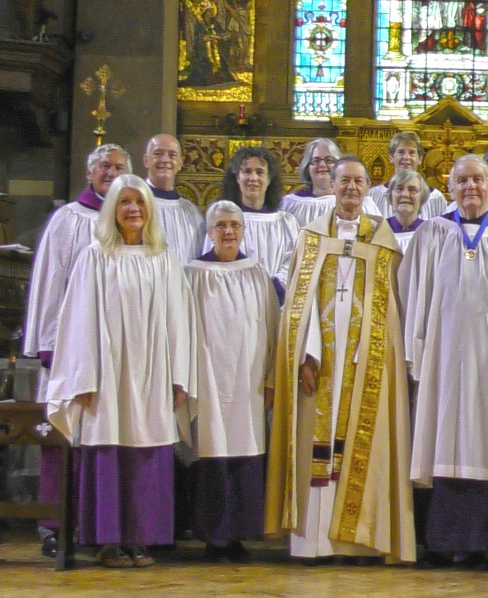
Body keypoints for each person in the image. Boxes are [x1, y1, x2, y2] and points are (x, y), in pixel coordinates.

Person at [265, 156, 415, 563]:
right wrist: (305, 357)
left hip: (367, 365)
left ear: (369, 188)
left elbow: (391, 309)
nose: (351, 188)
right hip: (322, 364)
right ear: (331, 185)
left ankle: (358, 541)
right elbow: (300, 302)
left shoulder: (383, 240)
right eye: (344, 180)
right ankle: (313, 542)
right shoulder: (311, 236)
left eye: (359, 181)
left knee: (359, 447)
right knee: (316, 447)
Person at [45, 174, 196, 568]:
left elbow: (180, 322)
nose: (133, 209)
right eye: (125, 202)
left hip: (152, 372)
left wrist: (180, 377)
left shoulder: (163, 258)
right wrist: (81, 378)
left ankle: (140, 539)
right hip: (106, 373)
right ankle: (107, 540)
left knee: (147, 450)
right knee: (108, 446)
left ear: (150, 211)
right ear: (113, 209)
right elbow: (77, 319)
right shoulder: (95, 256)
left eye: (140, 202)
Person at [400, 154, 488, 569]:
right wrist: (416, 349)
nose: (471, 187)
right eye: (462, 181)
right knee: (442, 440)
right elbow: (412, 293)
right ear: (450, 186)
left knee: (484, 443)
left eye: (479, 179)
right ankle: (440, 541)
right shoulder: (433, 233)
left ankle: (478, 542)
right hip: (441, 359)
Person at [22, 143, 131, 557]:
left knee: (102, 442)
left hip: (114, 356)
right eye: (104, 166)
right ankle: (54, 525)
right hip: (68, 349)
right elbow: (50, 284)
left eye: (119, 167)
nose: (111, 172)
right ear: (90, 173)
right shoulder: (70, 219)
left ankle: (95, 523)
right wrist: (48, 346)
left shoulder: (129, 222)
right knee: (63, 434)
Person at [185, 200, 278, 563]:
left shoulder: (257, 273)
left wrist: (271, 380)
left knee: (245, 453)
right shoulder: (193, 274)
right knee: (211, 454)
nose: (228, 232)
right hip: (207, 381)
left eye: (234, 226)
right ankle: (213, 535)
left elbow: (272, 329)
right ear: (209, 232)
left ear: (243, 231)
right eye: (221, 225)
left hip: (249, 382)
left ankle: (239, 533)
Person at [218, 145, 298, 303]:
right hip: (235, 302)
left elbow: (295, 260)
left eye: (260, 172)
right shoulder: (222, 222)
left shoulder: (286, 222)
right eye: (247, 171)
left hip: (277, 304)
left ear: (269, 180)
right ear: (237, 177)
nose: (253, 178)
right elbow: (215, 262)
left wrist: (276, 287)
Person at [280, 137, 380, 227]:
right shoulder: (290, 204)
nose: (322, 165)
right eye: (316, 160)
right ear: (307, 166)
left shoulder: (362, 202)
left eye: (329, 160)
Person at [144, 134, 204, 263]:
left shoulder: (191, 211)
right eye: (158, 154)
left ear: (180, 163)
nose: (165, 160)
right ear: (146, 160)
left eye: (172, 155)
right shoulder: (136, 205)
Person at [368, 131, 447, 220]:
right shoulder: (373, 195)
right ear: (391, 157)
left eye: (412, 152)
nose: (406, 157)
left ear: (420, 159)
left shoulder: (435, 198)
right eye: (401, 152)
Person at [386, 169, 429, 255]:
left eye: (412, 190)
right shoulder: (380, 231)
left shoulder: (430, 232)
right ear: (391, 196)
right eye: (399, 189)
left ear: (422, 197)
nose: (405, 194)